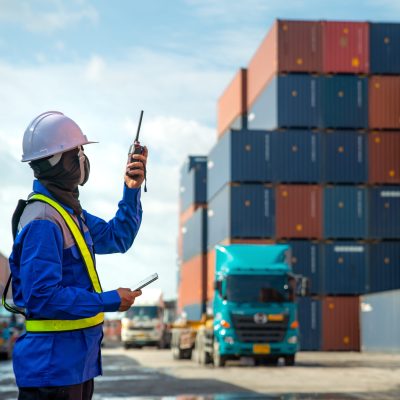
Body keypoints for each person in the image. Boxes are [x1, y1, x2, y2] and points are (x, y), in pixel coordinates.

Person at [7, 111, 148, 400]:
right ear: (58, 162)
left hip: (73, 366)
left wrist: (131, 190)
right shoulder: (44, 221)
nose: (83, 159)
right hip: (52, 370)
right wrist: (109, 300)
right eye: (78, 151)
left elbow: (117, 237)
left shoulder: (68, 213)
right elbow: (43, 297)